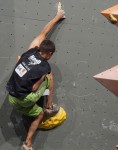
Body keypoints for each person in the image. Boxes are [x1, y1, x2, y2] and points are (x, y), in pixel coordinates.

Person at [6, 6, 65, 150]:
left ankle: (28, 144)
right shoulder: (44, 67)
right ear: (49, 54)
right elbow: (34, 88)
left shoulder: (30, 50)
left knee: (21, 61)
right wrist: (42, 80)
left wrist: (57, 16)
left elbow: (43, 33)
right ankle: (28, 142)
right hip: (25, 100)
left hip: (11, 98)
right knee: (48, 79)